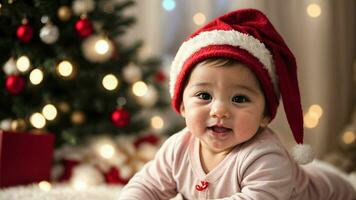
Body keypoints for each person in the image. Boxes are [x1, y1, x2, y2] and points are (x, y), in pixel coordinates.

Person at [118, 8, 356, 199]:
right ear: (181, 105)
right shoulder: (177, 148)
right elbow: (147, 185)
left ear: (265, 115)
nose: (219, 110)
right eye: (204, 95)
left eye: (239, 99)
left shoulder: (266, 156)